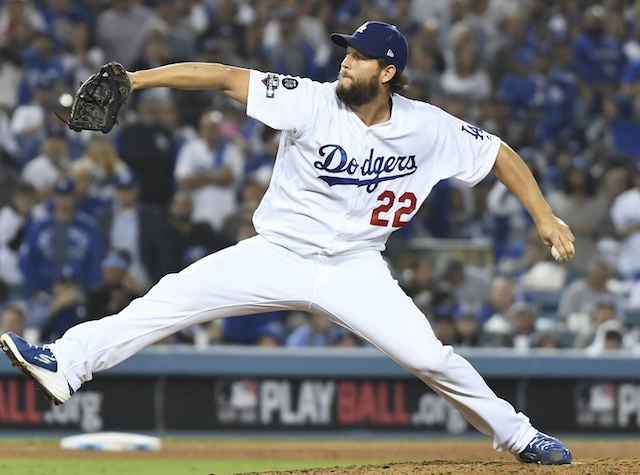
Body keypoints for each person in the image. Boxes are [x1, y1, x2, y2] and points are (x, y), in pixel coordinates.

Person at [1, 21, 575, 465]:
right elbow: (225, 77)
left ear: (388, 72)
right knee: (170, 298)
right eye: (345, 53)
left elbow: (499, 154)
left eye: (357, 57)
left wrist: (545, 218)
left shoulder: (428, 126)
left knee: (431, 357)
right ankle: (65, 362)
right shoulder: (312, 99)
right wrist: (137, 80)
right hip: (277, 253)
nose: (344, 62)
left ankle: (520, 436)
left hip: (356, 266)